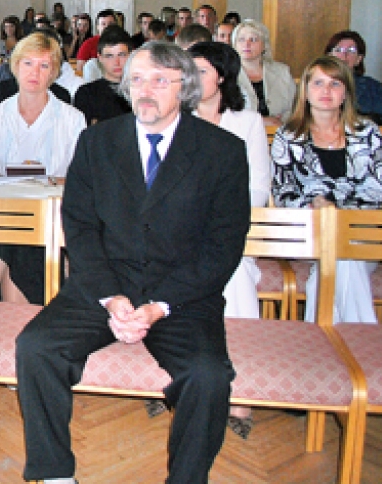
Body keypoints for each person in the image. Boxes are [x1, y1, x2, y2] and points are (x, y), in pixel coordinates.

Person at [15, 41, 251, 484]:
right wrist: (110, 296)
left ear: (185, 88)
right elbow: (80, 227)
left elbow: (223, 247)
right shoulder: (97, 141)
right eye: (137, 79)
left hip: (182, 296)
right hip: (104, 285)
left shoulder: (222, 151)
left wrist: (159, 305)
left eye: (160, 80)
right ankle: (55, 474)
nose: (146, 90)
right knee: (36, 347)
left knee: (207, 377)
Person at [0, 32, 86, 305]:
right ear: (15, 66)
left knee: (19, 242)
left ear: (53, 72)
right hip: (0, 215)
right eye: (28, 63)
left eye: (43, 65)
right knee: (7, 234)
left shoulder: (73, 119)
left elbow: (81, 180)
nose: (34, 73)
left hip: (50, 222)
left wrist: (48, 182)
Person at [191, 41, 273, 438]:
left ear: (222, 76)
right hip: (182, 232)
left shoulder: (248, 122)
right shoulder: (176, 118)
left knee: (234, 273)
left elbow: (257, 188)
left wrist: (219, 217)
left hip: (230, 230)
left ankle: (240, 390)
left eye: (201, 71)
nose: (191, 79)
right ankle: (176, 379)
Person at [271, 56, 382, 324]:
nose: (326, 91)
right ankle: (357, 340)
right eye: (318, 83)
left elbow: (379, 187)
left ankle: (324, 336)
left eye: (335, 84)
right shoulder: (288, 136)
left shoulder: (367, 133)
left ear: (346, 92)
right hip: (308, 233)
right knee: (342, 256)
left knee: (340, 258)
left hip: (360, 232)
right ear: (305, 91)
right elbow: (284, 192)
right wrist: (316, 205)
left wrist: (336, 211)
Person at [233, 19, 295, 126]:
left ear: (264, 45)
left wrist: (282, 125)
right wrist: (262, 121)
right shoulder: (227, 74)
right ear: (234, 45)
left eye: (253, 39)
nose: (247, 44)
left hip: (279, 131)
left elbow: (294, 108)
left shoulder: (282, 72)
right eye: (241, 39)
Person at [73, 26, 133, 125]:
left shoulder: (140, 91)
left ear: (131, 55)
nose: (116, 62)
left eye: (122, 55)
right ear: (100, 58)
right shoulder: (86, 94)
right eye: (109, 56)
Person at [325, 30, 382, 124]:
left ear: (359, 59)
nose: (344, 55)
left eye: (351, 51)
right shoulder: (315, 83)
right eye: (339, 50)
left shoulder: (372, 86)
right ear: (329, 56)